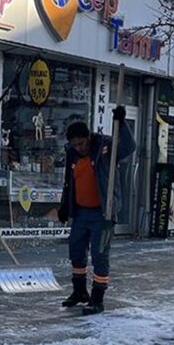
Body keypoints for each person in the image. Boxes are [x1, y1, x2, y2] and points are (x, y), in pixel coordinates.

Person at [57, 105, 135, 315]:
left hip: (103, 213)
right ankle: (79, 291)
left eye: (81, 143)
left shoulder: (106, 147)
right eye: (74, 145)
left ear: (88, 137)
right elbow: (69, 182)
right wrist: (65, 205)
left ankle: (97, 297)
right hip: (81, 212)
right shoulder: (72, 155)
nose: (79, 148)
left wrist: (123, 122)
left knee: (100, 256)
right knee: (76, 252)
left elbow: (129, 147)